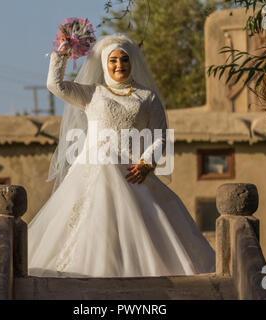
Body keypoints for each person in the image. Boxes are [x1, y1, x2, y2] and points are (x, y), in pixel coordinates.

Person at [27, 33, 215, 277]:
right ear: (105, 63)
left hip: (133, 174)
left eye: (124, 59)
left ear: (132, 62)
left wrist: (147, 162)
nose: (119, 65)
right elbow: (56, 86)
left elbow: (160, 135)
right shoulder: (92, 93)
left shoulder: (147, 97)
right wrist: (63, 54)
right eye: (113, 60)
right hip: (92, 172)